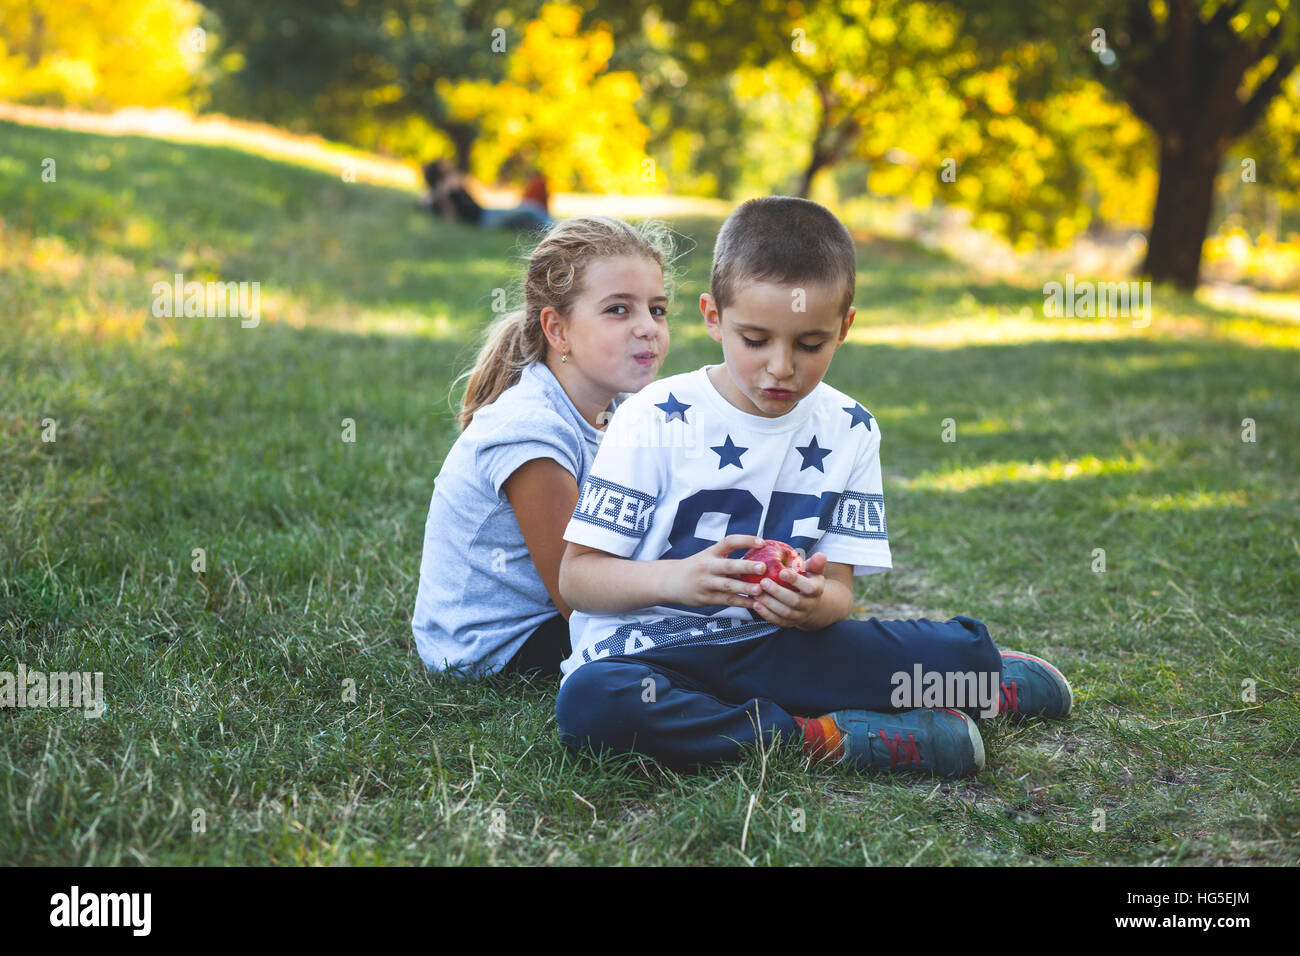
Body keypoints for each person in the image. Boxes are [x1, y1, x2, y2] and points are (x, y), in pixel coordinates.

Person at [554, 196, 1072, 778]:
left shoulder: (851, 428)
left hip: (778, 648)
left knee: (967, 652)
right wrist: (679, 578)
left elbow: (840, 596)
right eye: (755, 340)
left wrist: (809, 606)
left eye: (809, 344)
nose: (781, 368)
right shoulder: (654, 415)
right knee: (592, 704)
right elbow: (577, 579)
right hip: (652, 657)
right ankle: (822, 737)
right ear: (712, 316)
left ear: (844, 328)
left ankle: (975, 683)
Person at [411, 215, 674, 677]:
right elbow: (580, 600)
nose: (647, 327)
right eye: (619, 309)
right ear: (557, 330)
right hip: (500, 643)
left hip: (565, 612)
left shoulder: (628, 408)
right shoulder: (531, 432)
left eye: (657, 309)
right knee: (697, 644)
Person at [421, 158, 553, 231]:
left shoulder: (453, 182)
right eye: (443, 164)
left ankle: (553, 227)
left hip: (486, 212)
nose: (448, 163)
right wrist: (443, 196)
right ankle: (556, 228)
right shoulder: (441, 193)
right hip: (484, 220)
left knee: (528, 217)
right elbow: (452, 218)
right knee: (531, 208)